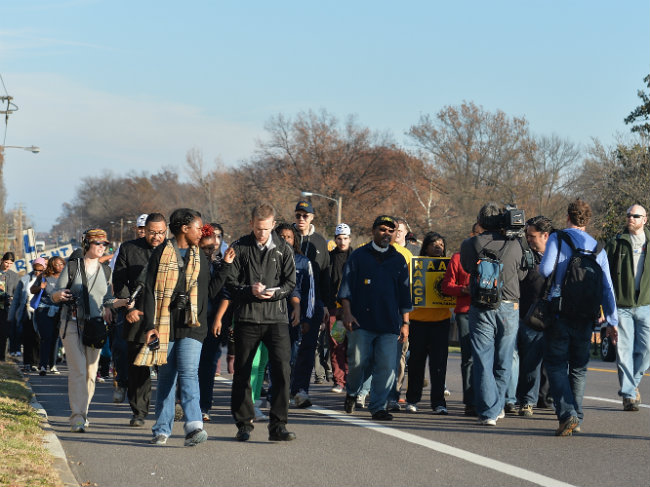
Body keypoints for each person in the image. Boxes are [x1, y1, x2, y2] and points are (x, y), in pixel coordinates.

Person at [143, 208, 227, 447]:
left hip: (193, 324)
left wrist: (227, 267)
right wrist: (150, 325)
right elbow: (149, 290)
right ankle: (161, 429)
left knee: (189, 371)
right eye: (198, 228)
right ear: (184, 228)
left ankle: (194, 426)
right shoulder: (161, 253)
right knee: (167, 377)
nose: (202, 232)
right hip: (165, 324)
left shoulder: (200, 255)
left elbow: (209, 292)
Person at [539, 199, 617, 435]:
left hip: (560, 311)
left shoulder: (558, 238)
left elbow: (544, 270)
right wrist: (612, 320)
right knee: (579, 367)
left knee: (555, 364)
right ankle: (578, 417)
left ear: (568, 217)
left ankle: (567, 414)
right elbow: (607, 287)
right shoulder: (597, 247)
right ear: (587, 220)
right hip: (586, 315)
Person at [227, 203, 297, 442]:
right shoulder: (239, 247)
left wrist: (274, 293)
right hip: (247, 318)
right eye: (258, 228)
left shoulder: (284, 249)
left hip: (276, 318)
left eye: (266, 229)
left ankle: (278, 426)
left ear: (273, 225)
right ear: (251, 224)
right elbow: (230, 285)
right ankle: (243, 424)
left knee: (282, 371)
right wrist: (249, 290)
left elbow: (290, 283)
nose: (261, 233)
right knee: (243, 372)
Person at [51, 229, 130, 432]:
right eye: (97, 243)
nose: (101, 247)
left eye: (104, 244)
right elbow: (53, 294)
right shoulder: (72, 267)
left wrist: (123, 302)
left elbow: (107, 301)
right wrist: (59, 294)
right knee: (77, 370)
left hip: (95, 326)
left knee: (91, 373)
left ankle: (83, 412)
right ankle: (77, 416)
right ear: (86, 244)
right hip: (71, 323)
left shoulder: (106, 271)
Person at [338, 215, 412, 421]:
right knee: (358, 364)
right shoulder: (359, 256)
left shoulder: (398, 259)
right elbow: (346, 288)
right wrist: (347, 313)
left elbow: (405, 294)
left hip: (389, 323)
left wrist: (405, 323)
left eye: (391, 230)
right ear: (373, 231)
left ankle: (378, 407)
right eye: (382, 229)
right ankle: (352, 392)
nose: (387, 234)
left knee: (386, 367)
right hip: (361, 321)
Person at [460, 203, 527, 426]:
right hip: (509, 305)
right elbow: (524, 273)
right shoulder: (516, 243)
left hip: (481, 305)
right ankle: (496, 408)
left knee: (482, 358)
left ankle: (490, 410)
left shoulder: (470, 243)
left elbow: (468, 268)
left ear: (480, 221)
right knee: (504, 359)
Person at [111, 212, 168, 426]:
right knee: (137, 366)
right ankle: (139, 412)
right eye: (152, 232)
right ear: (145, 230)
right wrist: (128, 307)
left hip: (164, 316)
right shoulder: (129, 249)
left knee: (166, 366)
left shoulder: (171, 251)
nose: (156, 237)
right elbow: (119, 281)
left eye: (161, 233)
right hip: (136, 313)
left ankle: (167, 408)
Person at [605, 204, 649, 412]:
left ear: (645, 220)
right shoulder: (616, 243)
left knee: (646, 349)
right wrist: (605, 307)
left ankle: (632, 384)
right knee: (623, 352)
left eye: (635, 216)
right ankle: (629, 395)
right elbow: (605, 276)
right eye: (628, 215)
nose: (630, 218)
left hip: (645, 305)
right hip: (621, 306)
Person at [405, 232, 451, 414]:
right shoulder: (414, 265)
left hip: (441, 321)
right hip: (418, 321)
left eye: (441, 243)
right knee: (416, 363)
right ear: (425, 246)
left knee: (439, 364)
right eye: (434, 243)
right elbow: (405, 289)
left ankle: (439, 402)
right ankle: (412, 399)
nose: (438, 246)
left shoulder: (448, 265)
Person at [441, 222, 482, 416]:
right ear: (471, 234)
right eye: (477, 234)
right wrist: (462, 289)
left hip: (487, 311)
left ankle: (487, 398)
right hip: (465, 311)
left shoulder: (492, 257)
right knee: (469, 357)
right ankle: (470, 401)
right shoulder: (458, 258)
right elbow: (446, 286)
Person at [516, 216, 553, 417]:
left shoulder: (560, 256)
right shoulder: (524, 256)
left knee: (553, 362)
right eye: (526, 235)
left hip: (554, 316)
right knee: (530, 362)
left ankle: (547, 398)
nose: (528, 239)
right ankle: (527, 401)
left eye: (532, 236)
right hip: (529, 316)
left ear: (545, 235)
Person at [197, 223, 234, 421]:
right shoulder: (194, 263)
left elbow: (225, 293)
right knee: (190, 366)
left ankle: (204, 406)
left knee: (209, 364)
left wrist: (221, 319)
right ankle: (185, 401)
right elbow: (209, 291)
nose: (211, 250)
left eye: (214, 245)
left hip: (213, 322)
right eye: (206, 248)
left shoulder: (220, 263)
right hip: (192, 321)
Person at [275, 222, 315, 407]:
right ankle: (278, 392)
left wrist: (307, 318)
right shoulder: (270, 260)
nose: (285, 240)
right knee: (279, 358)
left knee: (295, 355)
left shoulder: (303, 262)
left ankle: (297, 391)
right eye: (281, 237)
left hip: (296, 317)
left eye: (289, 237)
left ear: (295, 240)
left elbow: (310, 292)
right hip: (274, 316)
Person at [293, 200, 331, 393]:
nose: (301, 219)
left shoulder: (319, 241)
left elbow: (325, 274)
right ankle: (284, 389)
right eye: (298, 215)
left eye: (305, 215)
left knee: (309, 348)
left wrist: (324, 304)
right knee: (289, 348)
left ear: (312, 218)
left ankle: (301, 390)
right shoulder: (286, 237)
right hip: (289, 301)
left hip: (313, 302)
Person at [387, 217, 414, 410]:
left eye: (400, 230)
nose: (397, 233)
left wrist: (406, 319)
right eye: (394, 230)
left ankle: (393, 394)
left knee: (400, 356)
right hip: (382, 310)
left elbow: (411, 289)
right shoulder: (378, 253)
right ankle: (367, 391)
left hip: (401, 312)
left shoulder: (410, 256)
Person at [327, 223, 354, 393]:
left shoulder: (356, 257)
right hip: (333, 308)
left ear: (350, 239)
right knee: (336, 344)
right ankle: (339, 380)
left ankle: (351, 378)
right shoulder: (329, 258)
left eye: (345, 238)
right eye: (339, 238)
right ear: (335, 239)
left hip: (352, 309)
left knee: (353, 345)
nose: (342, 242)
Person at [8, 257, 47, 371]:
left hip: (40, 312)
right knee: (27, 338)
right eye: (35, 269)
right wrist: (12, 315)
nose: (37, 272)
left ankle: (36, 362)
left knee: (38, 338)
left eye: (40, 270)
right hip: (27, 312)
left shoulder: (46, 279)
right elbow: (16, 298)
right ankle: (27, 363)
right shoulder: (25, 279)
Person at [31, 256, 65, 375]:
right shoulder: (44, 276)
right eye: (57, 264)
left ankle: (53, 364)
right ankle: (43, 366)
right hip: (44, 310)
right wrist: (40, 287)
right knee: (46, 337)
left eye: (62, 264)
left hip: (59, 311)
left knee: (56, 338)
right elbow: (32, 289)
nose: (60, 266)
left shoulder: (65, 277)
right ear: (51, 266)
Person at [0, 252, 20, 360]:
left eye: (10, 263)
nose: (8, 265)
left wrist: (12, 298)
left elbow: (17, 292)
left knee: (4, 333)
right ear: (2, 260)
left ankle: (2, 357)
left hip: (6, 308)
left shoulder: (14, 276)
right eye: (6, 262)